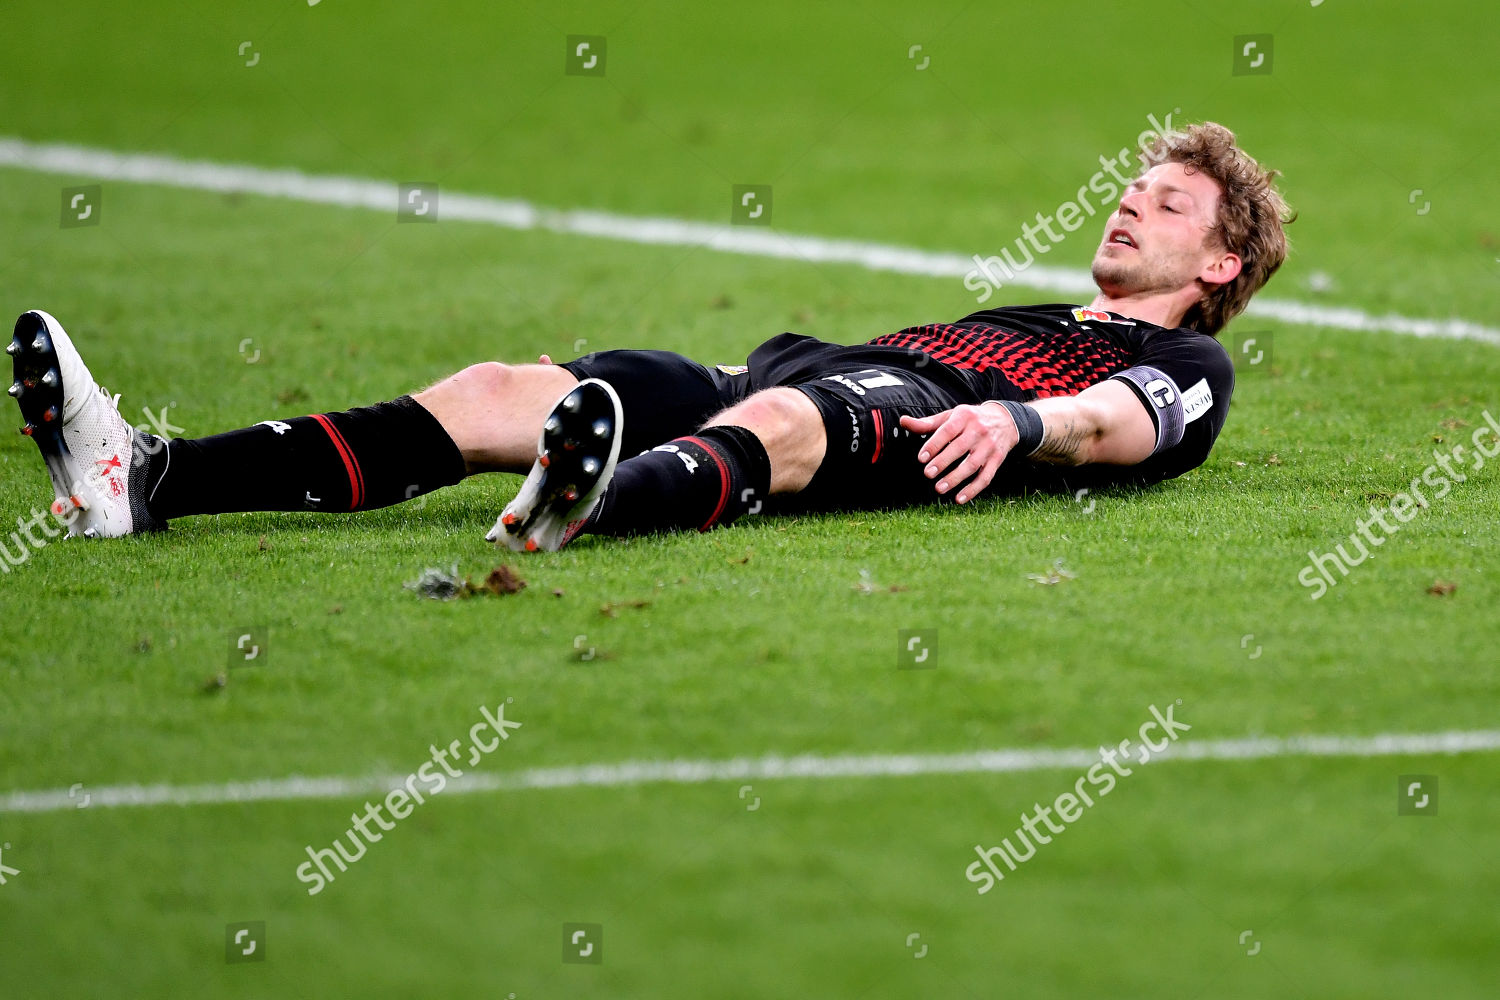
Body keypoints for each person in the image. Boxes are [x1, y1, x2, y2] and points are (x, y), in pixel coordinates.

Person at [7, 122, 1291, 550]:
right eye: (1134, 184)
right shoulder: (1052, 309)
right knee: (502, 384)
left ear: (1219, 262)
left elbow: (1116, 428)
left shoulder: (1187, 363)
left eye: (1168, 200)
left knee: (780, 432)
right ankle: (146, 481)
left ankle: (587, 508)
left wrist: (1018, 421)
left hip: (923, 420)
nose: (1132, 200)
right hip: (810, 359)